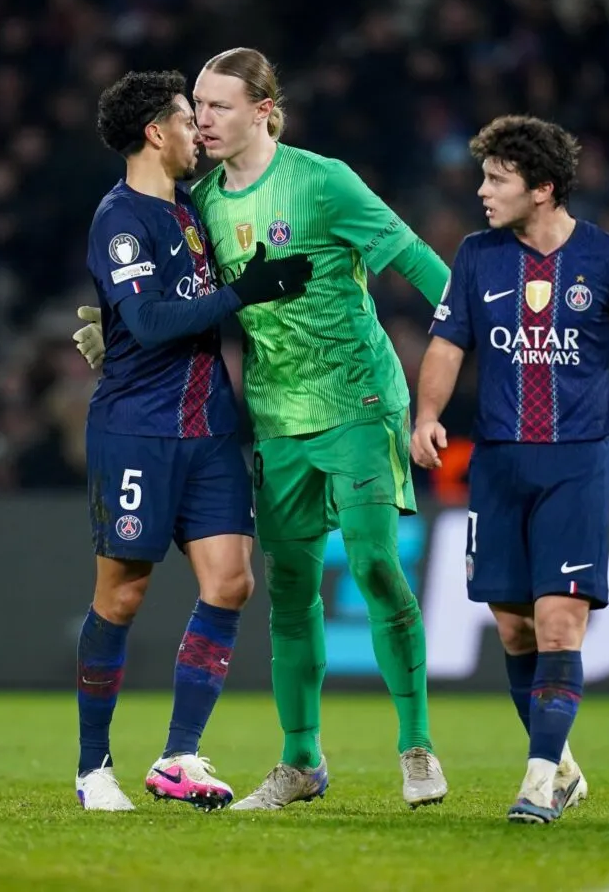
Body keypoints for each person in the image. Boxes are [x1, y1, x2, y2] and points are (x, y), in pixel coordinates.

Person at [75, 47, 452, 810]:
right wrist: (114, 331)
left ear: (263, 112)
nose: (203, 119)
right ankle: (293, 760)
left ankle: (415, 745)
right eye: (195, 108)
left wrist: (475, 332)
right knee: (280, 588)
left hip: (354, 401)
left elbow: (417, 260)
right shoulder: (199, 200)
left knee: (372, 565)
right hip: (271, 417)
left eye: (215, 106)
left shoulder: (323, 181)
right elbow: (164, 300)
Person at [410, 114, 609, 824]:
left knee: (558, 622)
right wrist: (426, 415)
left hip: (577, 461)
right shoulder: (478, 256)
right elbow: (449, 344)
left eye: (497, 179)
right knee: (512, 628)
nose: (482, 190)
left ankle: (538, 779)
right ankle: (563, 764)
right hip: (499, 461)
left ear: (542, 188)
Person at [76, 70, 312, 811]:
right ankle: (94, 768)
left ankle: (178, 755)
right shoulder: (120, 218)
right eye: (187, 119)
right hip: (138, 431)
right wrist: (246, 292)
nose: (198, 132)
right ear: (155, 132)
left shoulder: (188, 210)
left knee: (231, 581)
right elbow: (146, 324)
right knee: (123, 593)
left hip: (209, 427)